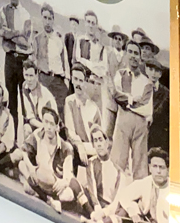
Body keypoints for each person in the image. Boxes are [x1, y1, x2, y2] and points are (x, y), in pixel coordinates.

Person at [110, 40, 152, 180]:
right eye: (130, 52)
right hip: (123, 119)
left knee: (140, 164)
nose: (133, 56)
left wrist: (127, 100)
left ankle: (139, 197)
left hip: (140, 123)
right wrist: (131, 99)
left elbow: (145, 105)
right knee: (117, 159)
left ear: (140, 57)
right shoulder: (120, 74)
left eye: (136, 53)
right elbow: (116, 95)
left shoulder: (146, 81)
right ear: (126, 53)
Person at [0, 0, 33, 128]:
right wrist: (17, 33)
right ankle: (12, 134)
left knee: (25, 98)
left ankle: (26, 135)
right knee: (11, 97)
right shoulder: (3, 11)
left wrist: (11, 35)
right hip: (10, 59)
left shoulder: (26, 14)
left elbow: (26, 41)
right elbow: (1, 32)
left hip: (23, 60)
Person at [33, 3, 70, 115]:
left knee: (61, 114)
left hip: (58, 81)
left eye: (50, 18)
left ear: (53, 20)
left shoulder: (59, 38)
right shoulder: (37, 39)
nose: (47, 21)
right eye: (45, 18)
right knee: (44, 112)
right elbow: (34, 61)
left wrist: (67, 80)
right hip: (44, 79)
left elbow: (65, 61)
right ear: (42, 19)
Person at [64, 64, 102, 167]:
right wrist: (80, 145)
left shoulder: (94, 107)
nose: (78, 84)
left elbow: (100, 135)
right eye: (75, 79)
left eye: (81, 81)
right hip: (76, 146)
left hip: (91, 147)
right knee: (68, 147)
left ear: (85, 82)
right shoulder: (69, 101)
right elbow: (70, 131)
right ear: (71, 80)